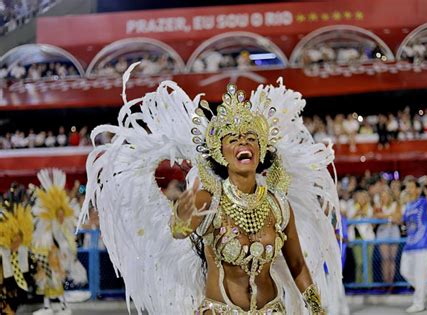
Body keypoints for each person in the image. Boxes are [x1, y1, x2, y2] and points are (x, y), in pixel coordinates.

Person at [80, 74, 343, 314]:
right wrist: (180, 217)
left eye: (251, 137)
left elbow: (297, 265)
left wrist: (317, 309)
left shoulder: (279, 206)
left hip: (272, 309)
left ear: (261, 149)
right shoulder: (209, 199)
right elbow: (180, 231)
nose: (243, 142)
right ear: (220, 153)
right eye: (233, 139)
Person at [32, 169, 87, 315]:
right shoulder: (50, 225)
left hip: (58, 258)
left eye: (63, 214)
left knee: (55, 281)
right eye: (59, 214)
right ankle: (47, 306)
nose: (61, 217)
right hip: (50, 255)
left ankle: (63, 306)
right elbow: (44, 236)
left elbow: (67, 243)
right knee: (46, 280)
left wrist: (65, 255)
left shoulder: (65, 227)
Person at [400, 178, 427, 313]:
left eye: (411, 187)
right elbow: (403, 221)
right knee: (404, 271)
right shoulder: (408, 205)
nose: (408, 190)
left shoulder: (423, 201)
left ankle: (419, 303)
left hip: (424, 243)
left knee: (420, 274)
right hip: (410, 243)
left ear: (417, 189)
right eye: (407, 187)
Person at [0, 203, 34, 315]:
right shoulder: (4, 248)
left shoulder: (24, 249)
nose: (16, 243)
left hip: (16, 274)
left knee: (16, 298)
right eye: (14, 241)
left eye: (18, 241)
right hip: (6, 275)